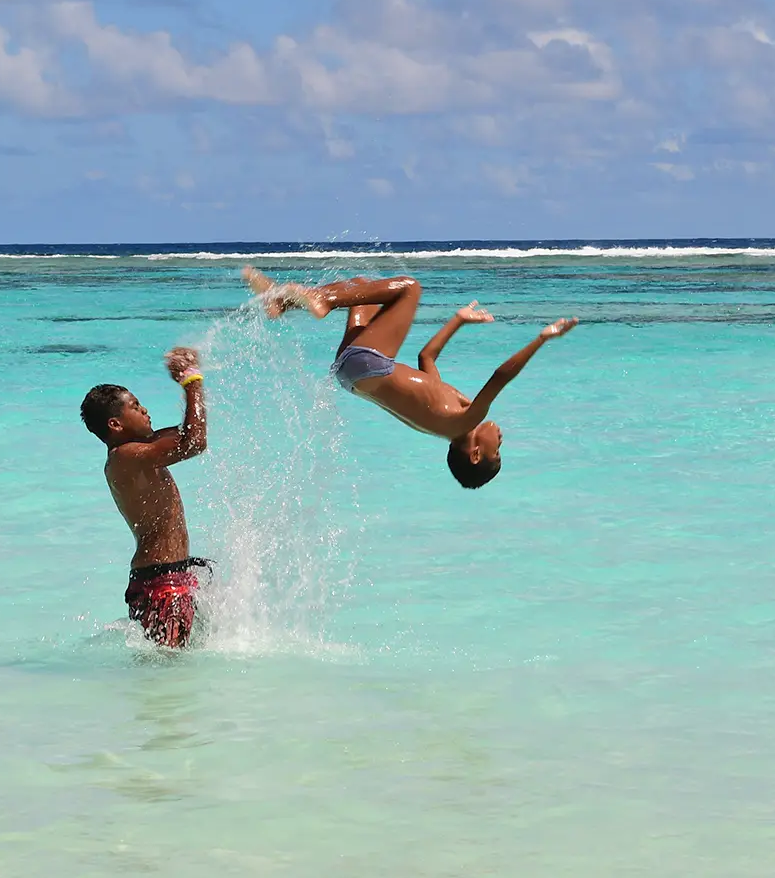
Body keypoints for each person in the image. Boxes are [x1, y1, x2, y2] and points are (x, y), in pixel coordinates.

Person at [241, 267, 576, 489]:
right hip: (351, 373)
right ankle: (283, 304)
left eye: (497, 451)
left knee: (409, 289)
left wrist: (542, 339)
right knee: (360, 288)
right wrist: (458, 320)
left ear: (475, 453)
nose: (501, 440)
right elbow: (426, 357)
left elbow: (500, 376)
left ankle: (320, 299)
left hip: (370, 364)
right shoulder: (446, 416)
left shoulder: (463, 422)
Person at [80, 347, 209, 648]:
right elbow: (195, 443)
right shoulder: (125, 457)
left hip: (173, 575)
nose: (145, 410)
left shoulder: (142, 449)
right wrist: (192, 381)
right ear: (115, 424)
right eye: (136, 407)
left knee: (174, 669)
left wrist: (194, 388)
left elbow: (192, 430)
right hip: (161, 582)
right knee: (166, 675)